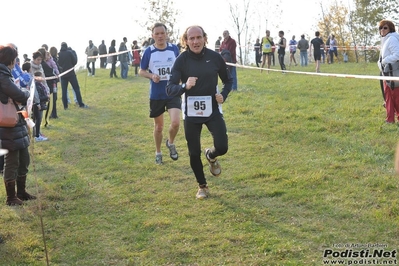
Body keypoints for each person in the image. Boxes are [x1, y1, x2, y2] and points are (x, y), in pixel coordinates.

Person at [166, 25, 233, 199]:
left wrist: (223, 95)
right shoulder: (181, 60)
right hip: (191, 113)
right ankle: (202, 186)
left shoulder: (215, 57)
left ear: (204, 38)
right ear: (186, 41)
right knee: (193, 152)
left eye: (198, 37)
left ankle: (211, 155)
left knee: (223, 146)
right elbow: (170, 88)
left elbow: (228, 81)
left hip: (212, 109)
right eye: (191, 38)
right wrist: (184, 86)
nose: (195, 41)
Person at [139, 22, 181, 165]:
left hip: (173, 91)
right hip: (157, 94)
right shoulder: (149, 52)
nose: (160, 36)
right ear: (153, 36)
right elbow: (141, 71)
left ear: (166, 34)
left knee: (175, 123)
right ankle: (158, 152)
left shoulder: (174, 49)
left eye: (162, 33)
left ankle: (170, 142)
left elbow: (180, 67)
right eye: (157, 34)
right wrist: (152, 76)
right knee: (159, 127)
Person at [0, 45, 36, 205]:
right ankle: (11, 197)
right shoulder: (2, 76)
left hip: (16, 121)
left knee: (24, 158)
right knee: (12, 160)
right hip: (8, 123)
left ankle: (21, 192)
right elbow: (19, 94)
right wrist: (27, 92)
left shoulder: (5, 74)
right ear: (11, 60)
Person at [377, 19, 399, 123]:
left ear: (390, 29)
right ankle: (390, 119)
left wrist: (384, 61)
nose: (382, 30)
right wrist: (380, 63)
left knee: (396, 96)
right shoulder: (385, 40)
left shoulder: (392, 39)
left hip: (393, 72)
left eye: (385, 27)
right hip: (386, 72)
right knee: (388, 96)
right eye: (380, 28)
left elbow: (397, 54)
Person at [58, 42, 88, 109]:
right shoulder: (69, 53)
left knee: (64, 91)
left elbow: (58, 64)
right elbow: (74, 61)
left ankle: (65, 106)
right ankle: (80, 104)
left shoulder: (59, 54)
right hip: (71, 74)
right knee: (76, 89)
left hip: (63, 75)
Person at [30, 51, 49, 141]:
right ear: (34, 59)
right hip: (35, 95)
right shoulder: (30, 68)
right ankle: (35, 134)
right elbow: (31, 84)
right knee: (36, 116)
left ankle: (38, 132)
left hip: (42, 93)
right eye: (38, 60)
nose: (39, 61)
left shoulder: (41, 67)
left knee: (40, 116)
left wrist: (47, 91)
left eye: (41, 60)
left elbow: (44, 80)